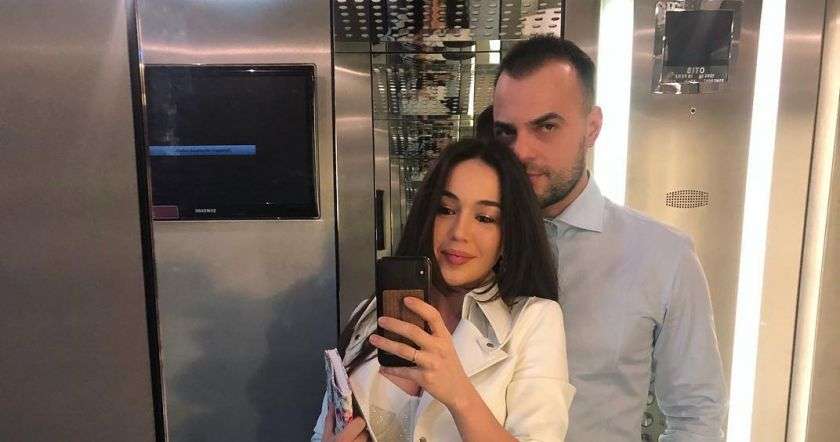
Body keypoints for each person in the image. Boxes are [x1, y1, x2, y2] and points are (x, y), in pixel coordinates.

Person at [489, 36, 727, 441]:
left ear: (592, 127)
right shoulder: (471, 246)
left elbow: (697, 415)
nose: (521, 151)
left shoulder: (663, 256)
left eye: (546, 126)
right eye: (506, 132)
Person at [311, 139, 575, 441]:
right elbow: (323, 429)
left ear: (508, 234)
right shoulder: (372, 313)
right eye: (446, 210)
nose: (459, 232)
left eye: (485, 218)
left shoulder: (533, 320)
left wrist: (459, 394)